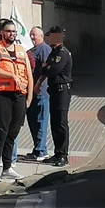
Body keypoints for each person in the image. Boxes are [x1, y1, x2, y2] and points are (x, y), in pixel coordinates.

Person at [0, 19, 33, 183]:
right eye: (8, 31)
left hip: (19, 95)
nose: (12, 34)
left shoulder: (21, 50)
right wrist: (11, 75)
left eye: (14, 31)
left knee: (13, 132)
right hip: (2, 95)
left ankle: (7, 167)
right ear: (2, 32)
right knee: (1, 131)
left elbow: (28, 73)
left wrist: (29, 97)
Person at [40, 26, 73, 167]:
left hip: (62, 90)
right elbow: (44, 68)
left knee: (61, 122)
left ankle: (64, 155)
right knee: (54, 122)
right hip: (53, 89)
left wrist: (47, 66)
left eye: (51, 36)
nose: (49, 39)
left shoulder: (63, 53)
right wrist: (46, 67)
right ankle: (57, 153)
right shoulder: (54, 52)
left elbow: (53, 70)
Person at [23, 27, 51, 162]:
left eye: (34, 35)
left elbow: (47, 70)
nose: (32, 38)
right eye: (30, 35)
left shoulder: (44, 49)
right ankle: (37, 148)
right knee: (32, 121)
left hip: (41, 92)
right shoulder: (30, 50)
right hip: (30, 92)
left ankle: (42, 150)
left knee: (41, 121)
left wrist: (39, 84)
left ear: (41, 36)